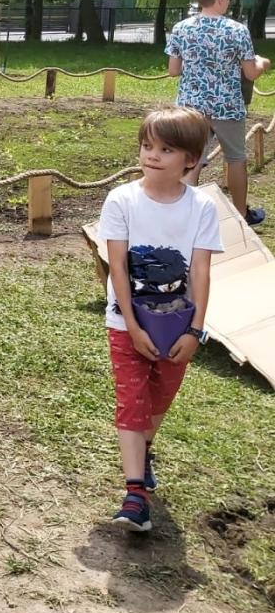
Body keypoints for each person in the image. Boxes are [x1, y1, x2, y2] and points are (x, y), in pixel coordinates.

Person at [97, 106, 219, 532]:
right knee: (132, 401)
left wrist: (195, 329)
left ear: (190, 159)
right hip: (125, 323)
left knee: (159, 400)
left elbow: (201, 270)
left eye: (166, 149)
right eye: (147, 145)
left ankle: (144, 452)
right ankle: (135, 495)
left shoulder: (201, 207)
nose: (152, 155)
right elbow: (117, 267)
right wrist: (129, 323)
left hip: (177, 325)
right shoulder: (121, 199)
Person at [165, 0, 271, 224]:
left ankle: (181, 214)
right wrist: (263, 63)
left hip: (192, 107)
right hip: (227, 106)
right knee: (235, 159)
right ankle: (240, 215)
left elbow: (173, 70)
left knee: (192, 161)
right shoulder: (237, 31)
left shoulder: (181, 28)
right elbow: (250, 72)